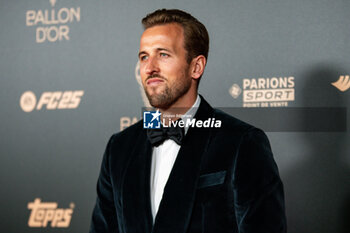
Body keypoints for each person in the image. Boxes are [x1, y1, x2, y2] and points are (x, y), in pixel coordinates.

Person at [90, 9, 286, 233]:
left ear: (196, 67)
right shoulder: (120, 147)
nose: (149, 67)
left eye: (163, 54)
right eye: (144, 56)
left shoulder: (241, 142)